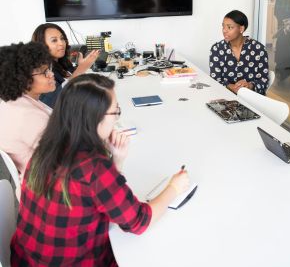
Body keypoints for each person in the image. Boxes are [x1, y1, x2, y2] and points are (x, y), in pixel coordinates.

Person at [10, 74, 190, 266]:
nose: (117, 119)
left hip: (27, 259)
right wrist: (174, 187)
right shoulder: (94, 167)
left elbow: (95, 196)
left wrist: (117, 160)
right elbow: (139, 221)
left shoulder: (45, 147)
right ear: (95, 118)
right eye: (115, 112)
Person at [0, 42, 55, 187]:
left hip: (36, 178)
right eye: (44, 72)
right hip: (48, 187)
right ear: (22, 79)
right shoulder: (28, 116)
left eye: (49, 68)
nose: (51, 74)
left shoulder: (11, 103)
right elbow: (65, 158)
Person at [31, 23, 99, 108]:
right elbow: (53, 103)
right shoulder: (41, 72)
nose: (61, 43)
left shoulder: (63, 63)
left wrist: (79, 68)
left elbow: (80, 86)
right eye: (54, 40)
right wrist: (81, 69)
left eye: (62, 38)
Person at [209, 10, 269, 95]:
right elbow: (215, 80)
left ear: (241, 29)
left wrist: (249, 85)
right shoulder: (217, 49)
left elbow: (264, 81)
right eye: (223, 26)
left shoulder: (258, 49)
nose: (224, 30)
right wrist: (231, 87)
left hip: (252, 99)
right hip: (225, 97)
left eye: (229, 27)